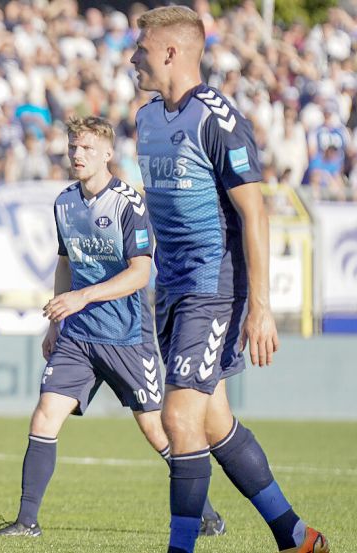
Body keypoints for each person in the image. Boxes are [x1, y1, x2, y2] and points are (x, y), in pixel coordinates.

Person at [130, 7, 328, 553]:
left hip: (213, 284)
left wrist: (260, 307)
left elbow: (255, 213)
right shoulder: (146, 117)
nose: (132, 58)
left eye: (140, 49)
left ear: (171, 52)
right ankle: (296, 536)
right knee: (214, 422)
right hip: (171, 287)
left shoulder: (217, 119)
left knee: (178, 416)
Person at [0, 116, 224, 539]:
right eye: (73, 146)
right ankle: (27, 521)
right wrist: (57, 320)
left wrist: (82, 298)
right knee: (44, 415)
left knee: (156, 429)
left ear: (108, 154)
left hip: (127, 335)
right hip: (77, 336)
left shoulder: (128, 203)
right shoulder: (64, 202)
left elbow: (141, 273)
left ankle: (206, 512)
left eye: (87, 148)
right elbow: (64, 262)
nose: (77, 154)